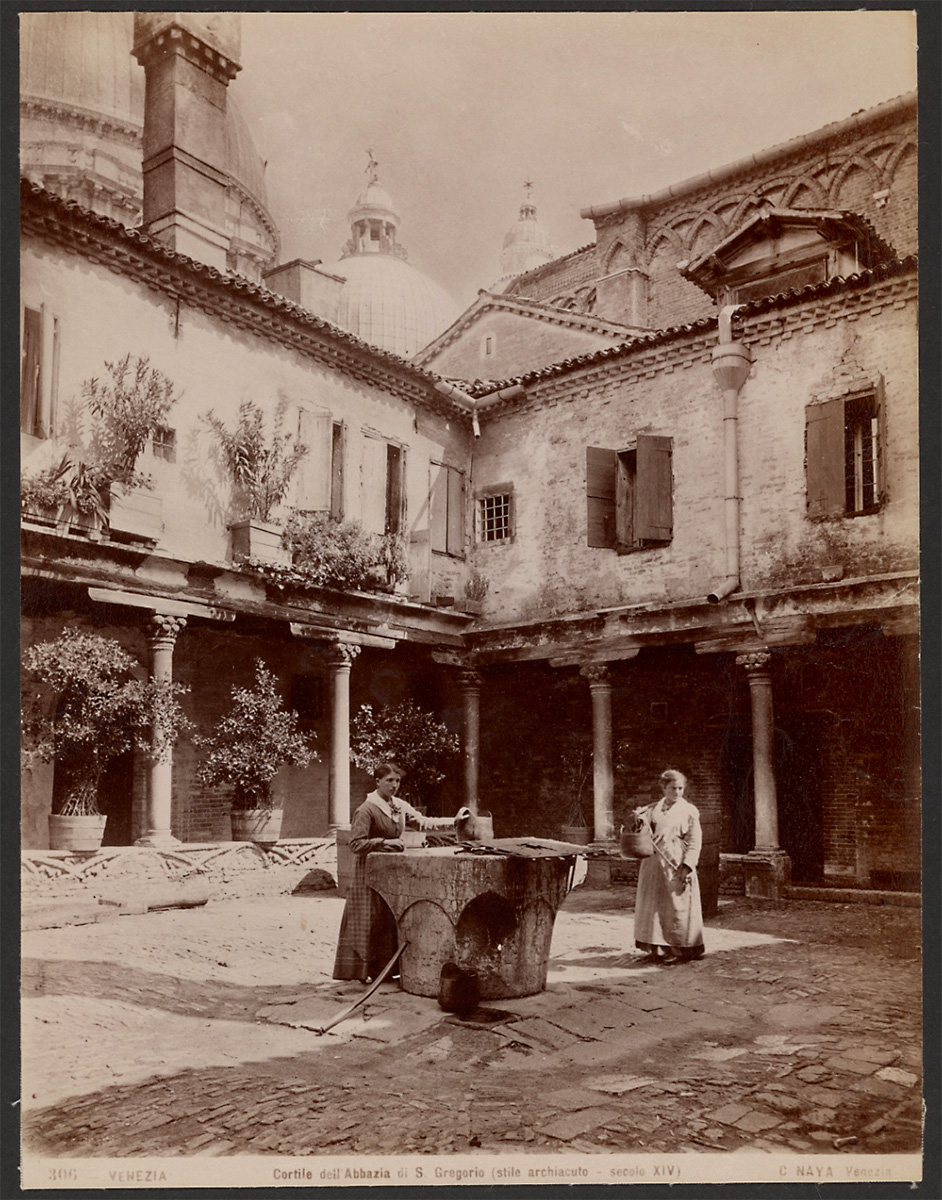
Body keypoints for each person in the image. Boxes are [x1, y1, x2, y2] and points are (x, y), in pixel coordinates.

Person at [332, 762, 470, 983]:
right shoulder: (366, 809)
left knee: (388, 921)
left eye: (397, 781)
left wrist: (453, 821)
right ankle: (362, 972)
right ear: (377, 782)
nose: (394, 785)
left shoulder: (398, 805)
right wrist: (384, 842)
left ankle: (383, 972)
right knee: (369, 921)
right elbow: (356, 844)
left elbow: (423, 822)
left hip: (390, 874)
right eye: (389, 781)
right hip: (368, 874)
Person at [632, 768, 705, 965]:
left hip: (675, 861)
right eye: (673, 788)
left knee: (675, 906)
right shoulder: (651, 809)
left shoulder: (689, 811)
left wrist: (687, 866)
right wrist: (639, 821)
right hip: (653, 864)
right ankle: (656, 948)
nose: (677, 792)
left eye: (681, 788)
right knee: (653, 906)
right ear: (663, 787)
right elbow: (641, 834)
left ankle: (679, 949)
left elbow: (695, 841)